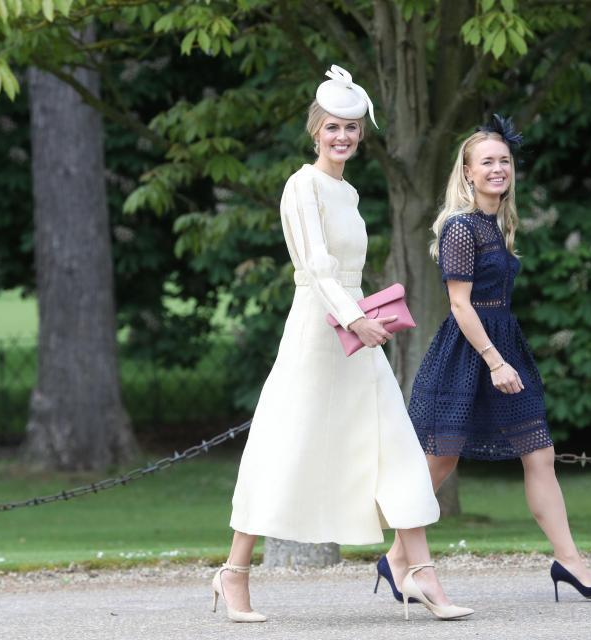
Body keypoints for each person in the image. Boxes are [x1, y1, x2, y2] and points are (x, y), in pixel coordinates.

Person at [212, 65, 474, 623]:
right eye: (334, 127)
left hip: (358, 332)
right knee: (285, 446)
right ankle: (234, 574)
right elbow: (314, 266)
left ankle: (420, 574)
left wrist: (364, 316)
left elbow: (348, 270)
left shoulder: (349, 190)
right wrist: (355, 319)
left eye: (352, 128)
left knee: (396, 444)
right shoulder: (301, 185)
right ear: (316, 130)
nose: (343, 137)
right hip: (318, 332)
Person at [381, 115, 591, 603]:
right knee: (438, 462)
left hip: (503, 345)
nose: (497, 169)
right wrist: (494, 360)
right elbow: (460, 305)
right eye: (486, 161)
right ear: (467, 172)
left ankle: (569, 561)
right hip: (470, 354)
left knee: (540, 452)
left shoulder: (497, 223)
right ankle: (398, 558)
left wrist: (503, 355)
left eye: (504, 161)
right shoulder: (462, 229)